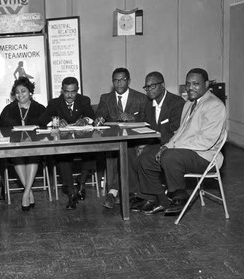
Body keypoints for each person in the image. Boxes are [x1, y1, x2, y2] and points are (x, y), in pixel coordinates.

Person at [137, 68, 227, 216]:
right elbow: (180, 133)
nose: (190, 87)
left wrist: (172, 148)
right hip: (186, 152)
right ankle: (162, 200)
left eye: (195, 84)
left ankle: (179, 197)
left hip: (206, 156)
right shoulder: (188, 104)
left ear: (206, 84)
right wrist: (166, 146)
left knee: (170, 156)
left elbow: (206, 141)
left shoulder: (215, 105)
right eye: (188, 84)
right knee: (146, 158)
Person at [129, 71, 185, 213]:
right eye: (146, 87)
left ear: (163, 86)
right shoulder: (149, 105)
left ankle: (160, 198)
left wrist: (149, 144)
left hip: (174, 144)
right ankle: (148, 196)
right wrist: (143, 143)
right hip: (158, 142)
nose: (149, 90)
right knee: (133, 151)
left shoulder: (176, 103)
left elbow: (175, 132)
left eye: (152, 86)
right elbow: (148, 128)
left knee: (145, 157)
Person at [94, 67, 148, 209]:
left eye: (122, 80)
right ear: (112, 82)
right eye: (116, 80)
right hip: (114, 141)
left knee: (127, 152)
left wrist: (133, 118)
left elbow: (148, 120)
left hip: (135, 141)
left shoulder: (141, 98)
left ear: (128, 81)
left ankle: (112, 193)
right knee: (113, 155)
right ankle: (122, 193)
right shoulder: (106, 98)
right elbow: (101, 114)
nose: (119, 83)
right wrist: (98, 119)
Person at [39, 76, 95, 210]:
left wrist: (86, 120)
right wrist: (55, 121)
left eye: (73, 92)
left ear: (78, 90)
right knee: (63, 157)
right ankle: (71, 192)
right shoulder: (54, 103)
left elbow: (92, 116)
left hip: (81, 139)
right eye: (66, 92)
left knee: (92, 151)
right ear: (62, 91)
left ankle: (81, 182)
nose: (70, 95)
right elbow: (42, 121)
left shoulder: (84, 100)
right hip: (64, 141)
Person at [0, 77, 46, 211]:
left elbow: (45, 129)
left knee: (33, 156)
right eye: (17, 92)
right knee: (17, 156)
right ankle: (29, 192)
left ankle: (25, 194)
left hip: (34, 146)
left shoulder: (40, 108)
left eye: (23, 91)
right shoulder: (8, 109)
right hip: (15, 147)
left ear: (30, 92)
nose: (20, 95)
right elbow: (0, 128)